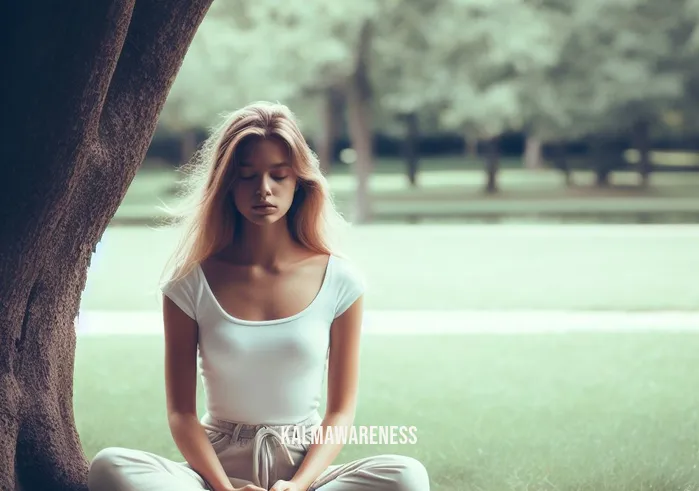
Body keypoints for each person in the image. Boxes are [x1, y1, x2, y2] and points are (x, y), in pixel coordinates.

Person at [87, 102, 430, 491]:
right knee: (110, 466)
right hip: (214, 470)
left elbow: (339, 413)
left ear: (298, 182)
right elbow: (182, 414)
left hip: (305, 470)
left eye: (278, 176)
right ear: (226, 184)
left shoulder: (341, 280)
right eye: (246, 176)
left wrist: (297, 486)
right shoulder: (189, 284)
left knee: (406, 475)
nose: (263, 189)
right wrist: (224, 489)